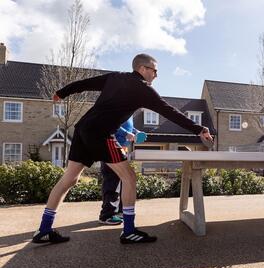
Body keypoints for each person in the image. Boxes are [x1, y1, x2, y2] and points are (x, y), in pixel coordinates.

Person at [32, 53, 213, 244]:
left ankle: (44, 229)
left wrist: (62, 92)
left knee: (69, 179)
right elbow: (170, 111)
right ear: (143, 69)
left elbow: (85, 83)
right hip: (101, 134)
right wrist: (199, 129)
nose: (156, 75)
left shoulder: (115, 77)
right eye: (155, 70)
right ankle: (128, 231)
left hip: (83, 129)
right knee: (129, 177)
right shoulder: (143, 89)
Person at [99, 116, 141, 225]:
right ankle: (107, 214)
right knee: (112, 180)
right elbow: (110, 122)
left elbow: (128, 126)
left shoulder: (130, 111)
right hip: (110, 145)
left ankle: (119, 211)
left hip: (121, 147)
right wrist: (126, 133)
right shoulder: (119, 104)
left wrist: (136, 132)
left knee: (124, 180)